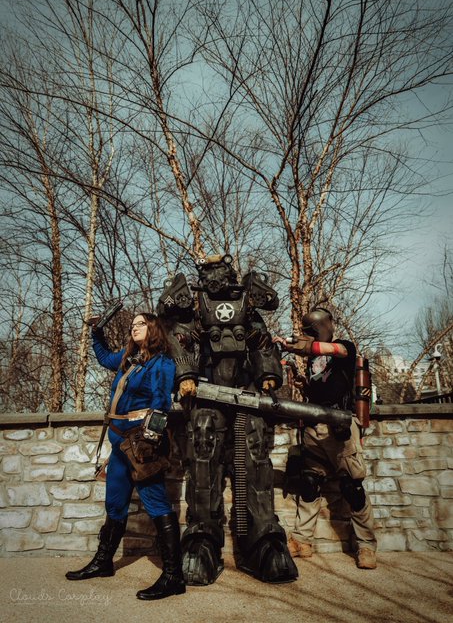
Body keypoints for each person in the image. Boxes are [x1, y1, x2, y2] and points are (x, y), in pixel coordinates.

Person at [157, 255, 297, 585]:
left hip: (246, 393)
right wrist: (185, 374)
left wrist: (268, 374)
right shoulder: (194, 309)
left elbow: (261, 341)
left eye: (220, 270)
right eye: (209, 271)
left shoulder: (245, 306)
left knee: (255, 450)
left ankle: (263, 539)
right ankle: (202, 538)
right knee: (203, 448)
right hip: (208, 393)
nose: (215, 276)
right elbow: (180, 339)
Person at [65, 312, 186, 600]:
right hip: (119, 445)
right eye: (132, 325)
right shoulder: (128, 359)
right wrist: (97, 332)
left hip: (139, 445)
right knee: (115, 504)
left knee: (156, 503)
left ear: (153, 328)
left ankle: (173, 576)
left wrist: (149, 441)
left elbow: (161, 403)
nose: (134, 328)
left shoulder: (161, 363)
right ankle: (103, 562)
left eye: (140, 323)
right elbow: (104, 358)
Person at [273, 307, 377, 569]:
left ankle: (366, 545)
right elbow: (321, 388)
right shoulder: (312, 361)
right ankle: (301, 541)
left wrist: (297, 345)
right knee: (309, 483)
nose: (309, 335)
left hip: (340, 426)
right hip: (314, 426)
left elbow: (333, 350)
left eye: (311, 330)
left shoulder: (344, 347)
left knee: (352, 488)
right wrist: (303, 383)